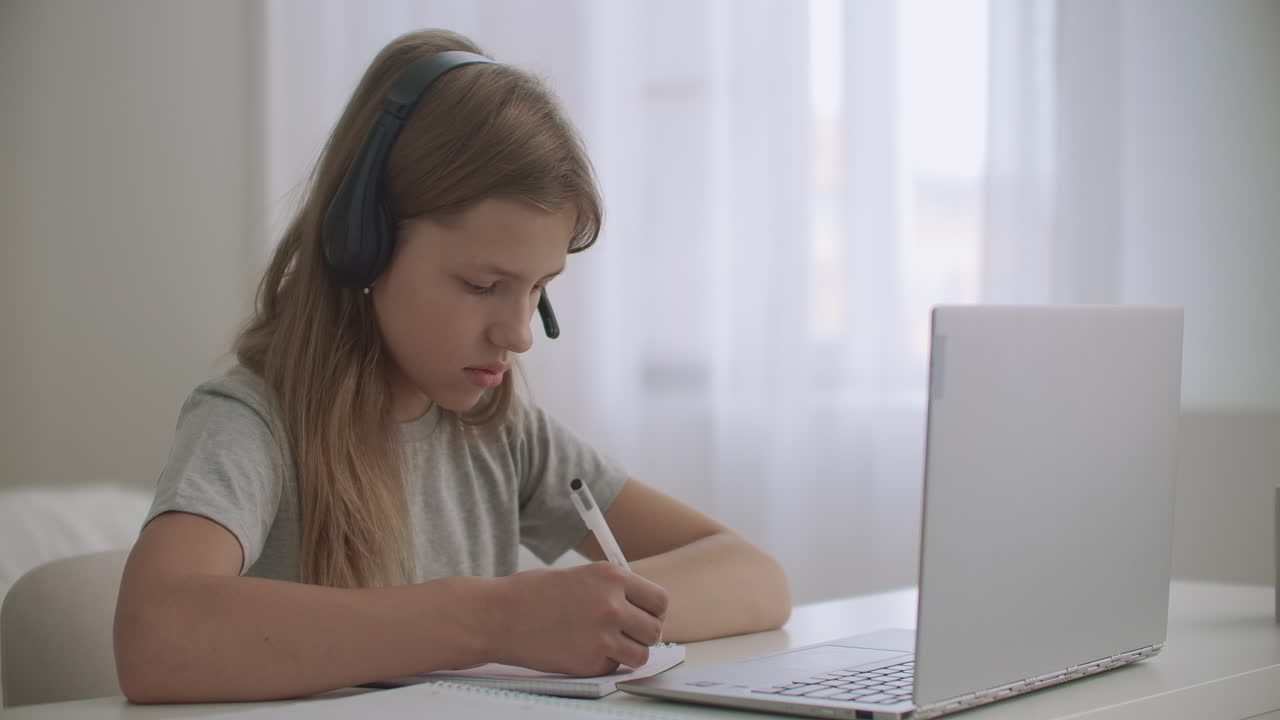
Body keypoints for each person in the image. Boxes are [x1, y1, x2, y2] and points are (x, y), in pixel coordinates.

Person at [113, 28, 790, 704]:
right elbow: (154, 636)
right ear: (365, 245)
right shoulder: (253, 423)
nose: (519, 334)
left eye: (538, 288)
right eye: (482, 285)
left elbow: (757, 578)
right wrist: (495, 620)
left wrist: (596, 614)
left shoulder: (503, 433)